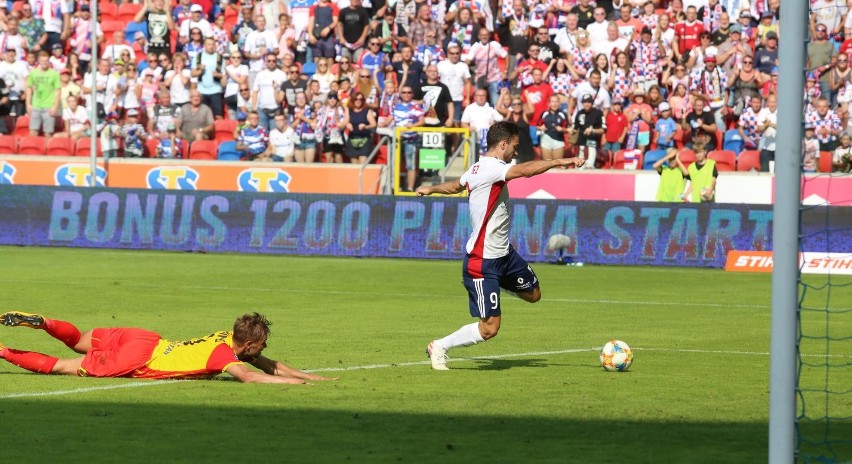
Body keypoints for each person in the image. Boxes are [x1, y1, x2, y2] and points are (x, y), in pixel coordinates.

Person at [417, 121, 584, 371]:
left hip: (505, 255)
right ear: (503, 144)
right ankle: (439, 346)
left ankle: (497, 287)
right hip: (482, 262)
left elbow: (454, 186)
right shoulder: (492, 168)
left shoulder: (476, 168)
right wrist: (560, 162)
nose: (516, 152)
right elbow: (526, 171)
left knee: (534, 294)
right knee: (490, 328)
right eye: (515, 147)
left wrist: (431, 188)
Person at [0, 311, 335, 383]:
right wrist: (297, 384)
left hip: (145, 338)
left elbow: (270, 365)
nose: (263, 349)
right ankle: (2, 350)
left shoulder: (224, 337)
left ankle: (44, 323)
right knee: (64, 365)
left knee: (76, 341)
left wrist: (315, 379)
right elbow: (252, 377)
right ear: (247, 344)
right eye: (260, 345)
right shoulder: (223, 356)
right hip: (142, 357)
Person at [25, 51, 61, 139]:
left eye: (46, 61)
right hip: (36, 105)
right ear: (38, 61)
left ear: (49, 61)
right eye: (42, 61)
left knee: (48, 133)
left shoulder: (54, 74)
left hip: (48, 106)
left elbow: (58, 91)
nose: (44, 63)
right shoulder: (33, 73)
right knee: (33, 131)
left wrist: (55, 107)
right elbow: (29, 88)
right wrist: (28, 104)